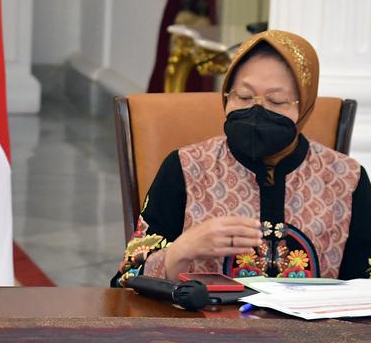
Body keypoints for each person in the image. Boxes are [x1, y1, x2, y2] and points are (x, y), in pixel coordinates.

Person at [114, 29, 371, 284]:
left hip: (313, 326)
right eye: (244, 96)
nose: (257, 110)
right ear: (226, 96)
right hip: (207, 325)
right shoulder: (186, 168)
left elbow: (364, 288)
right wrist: (182, 251)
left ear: (304, 106)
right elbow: (126, 279)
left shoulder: (346, 180)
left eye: (277, 101)